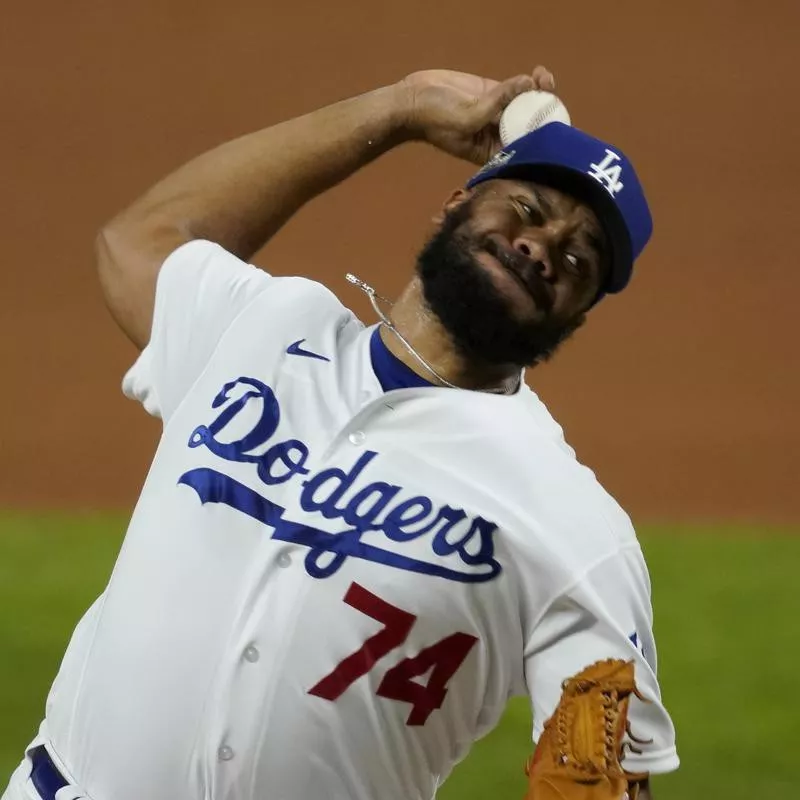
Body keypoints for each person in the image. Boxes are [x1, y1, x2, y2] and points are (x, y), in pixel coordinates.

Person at [2, 65, 679, 800]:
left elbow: (601, 782)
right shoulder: (260, 327)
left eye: (578, 259)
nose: (541, 245)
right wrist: (400, 109)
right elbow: (142, 238)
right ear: (455, 202)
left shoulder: (574, 529)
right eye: (526, 206)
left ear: (574, 318)